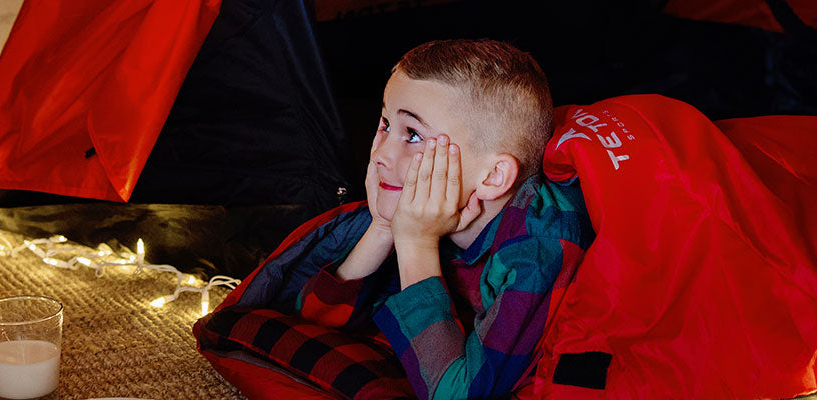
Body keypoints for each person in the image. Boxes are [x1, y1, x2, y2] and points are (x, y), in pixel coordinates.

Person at [195, 39, 591, 400]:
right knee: (246, 323)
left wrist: (416, 244)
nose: (381, 153)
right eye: (385, 124)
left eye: (413, 134)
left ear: (491, 177)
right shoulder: (436, 207)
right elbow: (311, 318)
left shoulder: (534, 253)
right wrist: (385, 227)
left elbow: (458, 396)